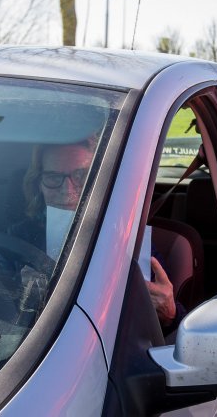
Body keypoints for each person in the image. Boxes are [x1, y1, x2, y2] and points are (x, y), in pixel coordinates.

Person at [15, 138, 184, 331]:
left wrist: (170, 314)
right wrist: (18, 294)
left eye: (80, 176)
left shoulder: (129, 238)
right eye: (53, 177)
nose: (67, 190)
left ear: (99, 182)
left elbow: (171, 331)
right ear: (39, 184)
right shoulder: (17, 236)